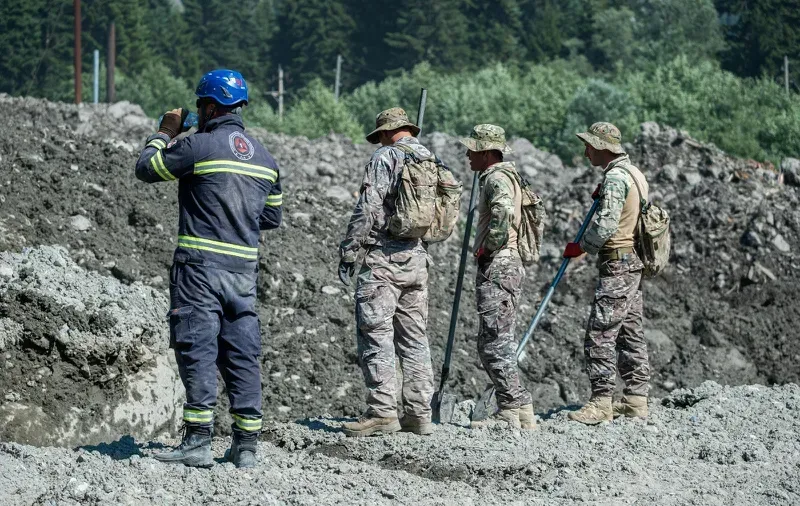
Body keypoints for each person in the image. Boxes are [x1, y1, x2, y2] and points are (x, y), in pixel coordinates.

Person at [134, 69, 282, 467]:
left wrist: (165, 131)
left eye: (200, 105)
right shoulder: (266, 158)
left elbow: (147, 168)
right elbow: (271, 218)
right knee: (241, 354)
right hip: (243, 273)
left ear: (210, 106)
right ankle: (246, 445)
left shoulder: (199, 146)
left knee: (196, 348)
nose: (197, 111)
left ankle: (198, 441)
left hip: (200, 270)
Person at [338, 107, 441, 437]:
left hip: (383, 259)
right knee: (415, 339)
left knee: (377, 334)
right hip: (416, 259)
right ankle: (419, 414)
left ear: (384, 133)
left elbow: (368, 207)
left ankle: (382, 412)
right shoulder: (429, 158)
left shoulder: (385, 157)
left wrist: (349, 251)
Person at [563, 122, 650, 424]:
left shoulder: (616, 177)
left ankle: (602, 402)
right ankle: (636, 399)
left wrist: (582, 247)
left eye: (589, 146)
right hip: (633, 263)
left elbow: (606, 224)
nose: (585, 152)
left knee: (600, 332)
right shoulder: (634, 174)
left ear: (602, 147)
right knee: (630, 331)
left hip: (617, 263)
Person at [460, 124, 536, 430]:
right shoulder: (504, 176)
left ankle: (510, 407)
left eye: (473, 150)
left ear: (489, 153)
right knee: (494, 340)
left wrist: (487, 248)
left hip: (500, 264)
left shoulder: (496, 178)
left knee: (495, 341)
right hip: (506, 264)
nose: (467, 155)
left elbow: (503, 213)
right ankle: (520, 407)